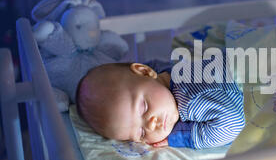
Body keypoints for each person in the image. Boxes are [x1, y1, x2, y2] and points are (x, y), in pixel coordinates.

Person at [75, 59, 245, 149]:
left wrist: (183, 136)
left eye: (144, 107)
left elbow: (233, 124)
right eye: (141, 134)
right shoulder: (168, 72)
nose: (151, 125)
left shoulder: (190, 100)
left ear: (145, 71)